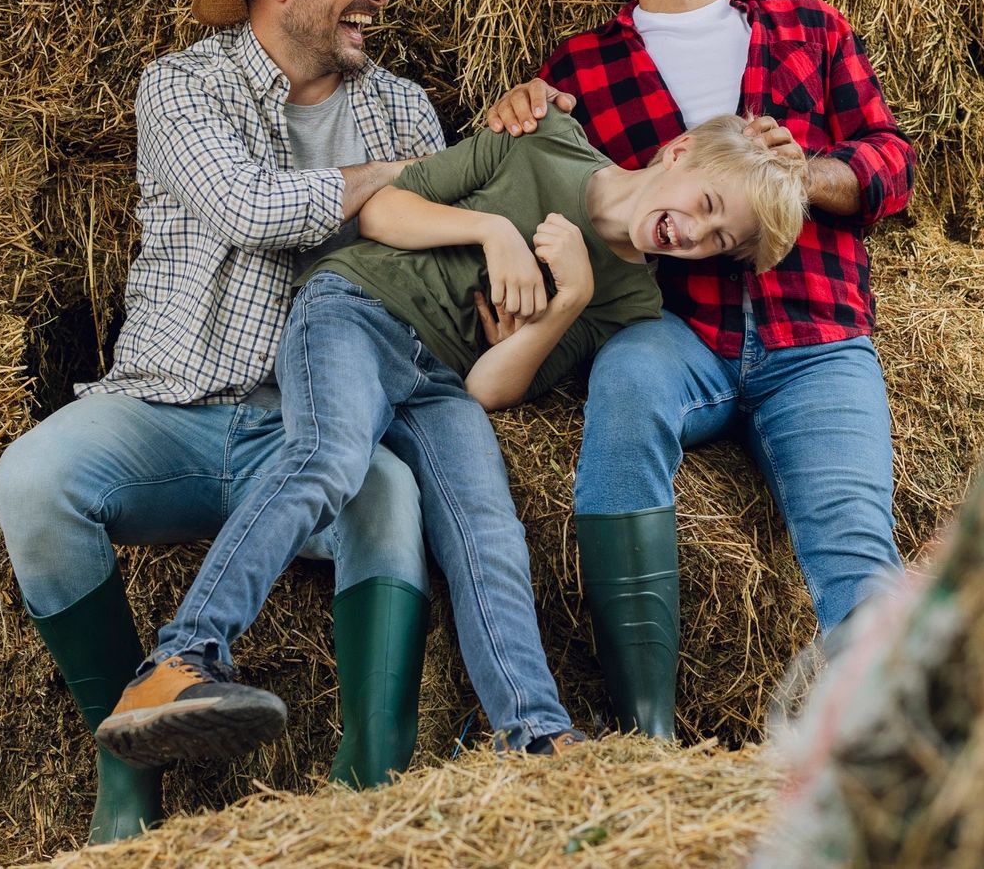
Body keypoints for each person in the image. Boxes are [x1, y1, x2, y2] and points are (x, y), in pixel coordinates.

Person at [92, 109, 810, 768]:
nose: (695, 234)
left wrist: (568, 303)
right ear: (678, 152)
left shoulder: (630, 300)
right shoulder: (541, 139)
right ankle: (180, 662)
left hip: (440, 380)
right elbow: (379, 210)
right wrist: (492, 232)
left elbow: (490, 388)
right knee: (330, 456)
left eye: (720, 242)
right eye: (708, 206)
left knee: (490, 531)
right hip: (356, 309)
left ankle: (534, 734)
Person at [0, 0, 443, 844]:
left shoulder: (403, 106)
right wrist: (389, 182)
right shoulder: (182, 87)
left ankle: (367, 797)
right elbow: (248, 207)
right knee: (30, 482)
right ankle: (124, 763)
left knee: (392, 498)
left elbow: (434, 255)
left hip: (310, 429)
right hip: (168, 407)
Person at [484, 0, 916, 740]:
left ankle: (884, 749)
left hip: (816, 335)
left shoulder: (809, 28)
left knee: (851, 536)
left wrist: (813, 178)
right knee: (628, 383)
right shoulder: (580, 66)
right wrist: (511, 114)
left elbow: (892, 163)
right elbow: (529, 177)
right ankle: (646, 733)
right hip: (675, 330)